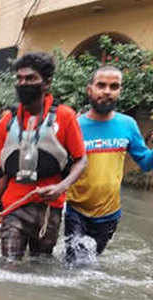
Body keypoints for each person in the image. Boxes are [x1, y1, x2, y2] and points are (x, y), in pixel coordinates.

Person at [0, 52, 87, 261]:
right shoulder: (6, 123)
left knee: (40, 266)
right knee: (9, 265)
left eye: (30, 78)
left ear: (46, 83)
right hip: (13, 207)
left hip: (49, 210)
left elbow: (81, 160)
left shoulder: (65, 117)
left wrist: (61, 187)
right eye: (19, 79)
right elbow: (1, 172)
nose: (23, 83)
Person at [65, 65, 153, 264]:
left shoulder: (128, 124)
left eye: (114, 86)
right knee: (76, 264)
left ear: (120, 91)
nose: (107, 91)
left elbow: (146, 163)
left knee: (90, 263)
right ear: (90, 90)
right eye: (101, 85)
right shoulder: (75, 125)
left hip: (109, 214)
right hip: (76, 209)